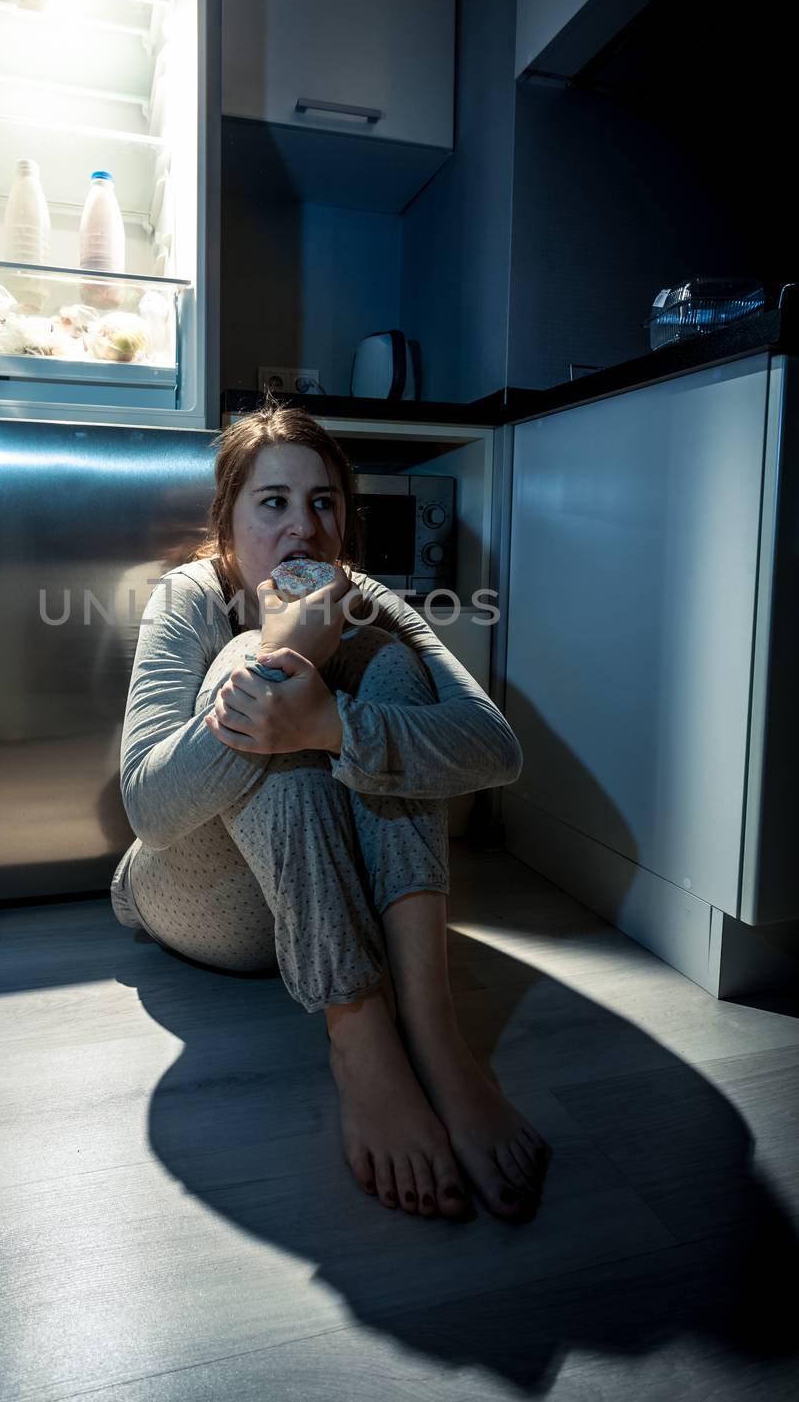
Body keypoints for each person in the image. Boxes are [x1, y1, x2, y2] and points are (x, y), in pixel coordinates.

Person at [110, 401, 551, 1222]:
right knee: (256, 663)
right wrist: (289, 661)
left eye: (322, 503)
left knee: (381, 671)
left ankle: (432, 1029)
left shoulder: (366, 598)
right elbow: (148, 809)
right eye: (271, 502)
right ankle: (359, 1034)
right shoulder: (190, 597)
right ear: (229, 521)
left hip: (320, 903)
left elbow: (496, 749)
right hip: (193, 896)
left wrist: (328, 723)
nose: (301, 528)